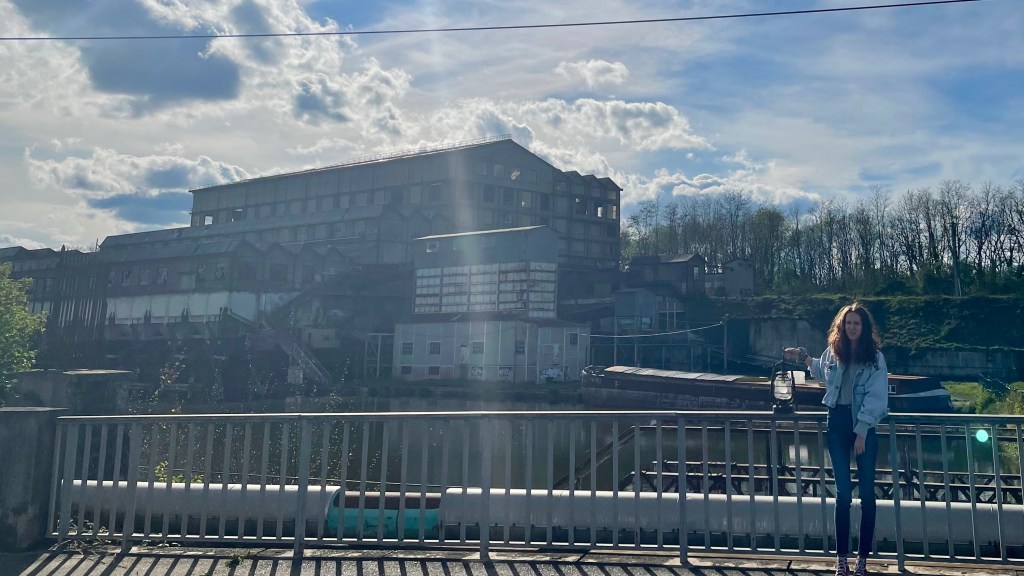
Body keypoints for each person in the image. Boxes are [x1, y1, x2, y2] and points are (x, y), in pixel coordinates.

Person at [786, 302, 889, 576]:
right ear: (842, 327)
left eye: (856, 323)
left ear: (864, 327)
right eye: (848, 323)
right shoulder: (834, 353)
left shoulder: (875, 357)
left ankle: (862, 560)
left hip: (861, 426)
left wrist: (863, 430)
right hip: (837, 423)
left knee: (867, 494)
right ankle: (841, 560)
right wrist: (805, 359)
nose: (852, 327)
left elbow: (877, 397)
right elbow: (822, 370)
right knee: (843, 495)